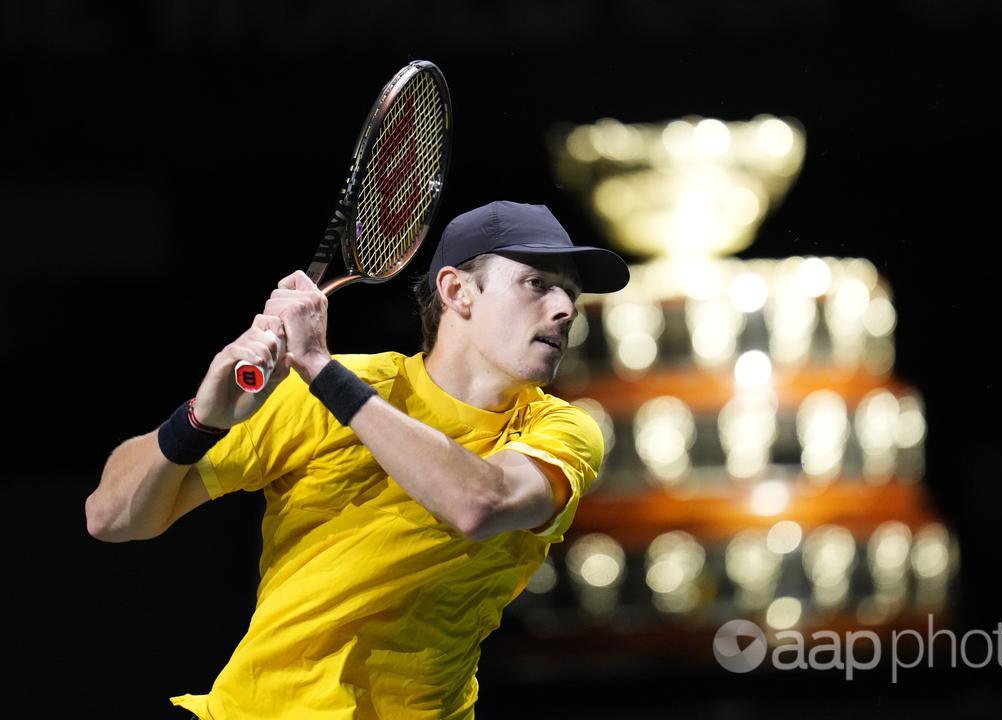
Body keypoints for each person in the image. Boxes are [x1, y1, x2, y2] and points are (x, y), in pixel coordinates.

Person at [85, 201, 630, 719]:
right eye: (538, 284)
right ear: (457, 291)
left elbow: (479, 503)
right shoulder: (331, 393)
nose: (564, 310)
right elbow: (111, 518)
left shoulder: (562, 430)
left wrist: (321, 370)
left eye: (570, 295)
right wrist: (200, 420)